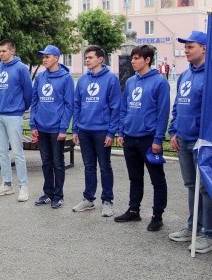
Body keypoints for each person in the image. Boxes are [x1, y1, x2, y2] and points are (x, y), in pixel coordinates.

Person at [168, 30, 212, 254]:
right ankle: (193, 227)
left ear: (204, 48)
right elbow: (178, 106)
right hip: (184, 139)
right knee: (191, 186)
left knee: (207, 189)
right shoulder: (185, 75)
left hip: (202, 142)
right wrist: (174, 131)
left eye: (190, 47)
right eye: (185, 47)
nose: (186, 50)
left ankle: (210, 235)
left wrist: (206, 137)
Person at [115, 45, 170, 232]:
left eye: (137, 58)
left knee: (157, 179)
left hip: (149, 139)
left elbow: (163, 114)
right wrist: (121, 131)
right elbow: (124, 109)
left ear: (147, 60)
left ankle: (157, 216)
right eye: (132, 58)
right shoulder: (131, 82)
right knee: (135, 177)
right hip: (130, 137)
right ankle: (133, 210)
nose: (133, 61)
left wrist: (158, 139)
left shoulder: (160, 83)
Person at [72, 45, 120, 217]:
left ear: (101, 59)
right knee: (89, 166)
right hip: (84, 130)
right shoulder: (82, 80)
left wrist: (111, 132)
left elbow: (115, 107)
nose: (87, 60)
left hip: (102, 130)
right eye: (86, 58)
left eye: (90, 57)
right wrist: (75, 129)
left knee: (105, 167)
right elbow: (77, 105)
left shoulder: (111, 79)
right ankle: (88, 199)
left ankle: (107, 200)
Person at [30, 45, 73, 209]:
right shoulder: (40, 77)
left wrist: (63, 129)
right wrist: (33, 124)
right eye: (43, 57)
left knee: (58, 162)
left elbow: (69, 105)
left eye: (47, 56)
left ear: (56, 57)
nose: (44, 59)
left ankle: (58, 195)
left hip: (56, 129)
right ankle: (48, 193)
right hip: (41, 127)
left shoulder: (66, 78)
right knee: (46, 162)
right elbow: (34, 101)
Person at [0, 39, 33, 202]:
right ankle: (7, 184)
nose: (1, 54)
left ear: (12, 51)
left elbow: (28, 92)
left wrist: (20, 108)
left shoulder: (21, 68)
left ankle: (23, 187)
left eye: (4, 51)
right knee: (2, 151)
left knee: (17, 152)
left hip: (14, 115)